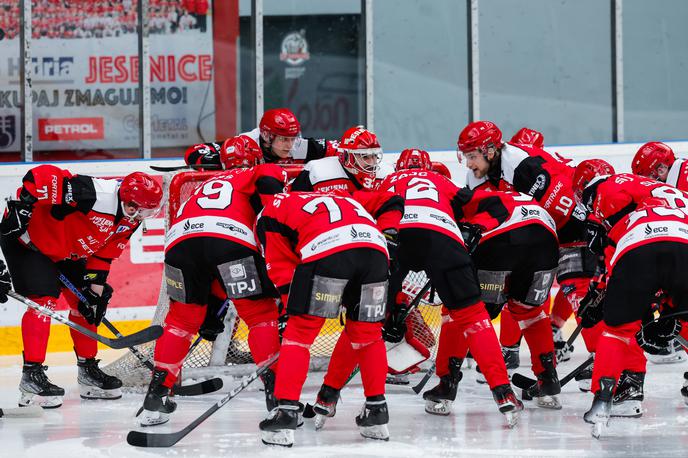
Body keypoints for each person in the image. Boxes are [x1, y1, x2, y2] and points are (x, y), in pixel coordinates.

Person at [137, 136, 288, 426]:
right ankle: (279, 396)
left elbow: (210, 261)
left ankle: (156, 396)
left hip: (180, 244)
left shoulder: (203, 183)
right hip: (230, 241)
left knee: (180, 322)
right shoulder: (259, 171)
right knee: (259, 315)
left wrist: (214, 306)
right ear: (257, 158)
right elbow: (271, 196)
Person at [376, 148, 525, 423]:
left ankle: (333, 397)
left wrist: (392, 308)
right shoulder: (442, 182)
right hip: (444, 240)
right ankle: (503, 392)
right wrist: (474, 228)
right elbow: (500, 204)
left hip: (398, 240)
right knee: (472, 318)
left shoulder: (385, 182)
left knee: (364, 319)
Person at [0, 166, 163, 408]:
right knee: (43, 302)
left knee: (88, 303)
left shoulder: (132, 217)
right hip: (28, 242)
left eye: (148, 212)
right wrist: (24, 204)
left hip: (67, 252)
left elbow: (104, 255)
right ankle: (31, 376)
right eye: (138, 210)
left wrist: (94, 290)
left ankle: (87, 371)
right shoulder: (94, 193)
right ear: (126, 199)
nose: (141, 216)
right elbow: (42, 175)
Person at [458, 120, 603, 390]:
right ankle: (513, 350)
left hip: (571, 226)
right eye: (466, 156)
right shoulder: (480, 173)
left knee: (576, 288)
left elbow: (550, 207)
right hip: (545, 231)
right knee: (518, 286)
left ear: (490, 150)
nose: (468, 163)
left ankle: (605, 362)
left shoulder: (521, 163)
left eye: (472, 156)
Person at [255, 189, 403, 446]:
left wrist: (291, 308)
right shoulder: (338, 196)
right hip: (376, 252)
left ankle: (286, 412)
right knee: (367, 336)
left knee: (299, 334)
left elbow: (281, 267)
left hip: (328, 249)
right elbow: (392, 198)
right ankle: (377, 413)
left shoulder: (267, 216)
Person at [571, 171, 688, 433]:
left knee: (617, 331)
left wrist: (602, 294)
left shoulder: (611, 192)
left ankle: (603, 400)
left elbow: (612, 253)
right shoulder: (668, 193)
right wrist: (664, 307)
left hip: (638, 246)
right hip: (685, 244)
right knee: (685, 316)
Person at [184, 109, 339, 169]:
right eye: (284, 139)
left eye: (293, 139)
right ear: (267, 136)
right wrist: (220, 162)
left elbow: (337, 148)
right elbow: (192, 152)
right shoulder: (245, 144)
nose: (290, 145)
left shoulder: (297, 146)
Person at [290, 125, 390, 192]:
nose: (372, 162)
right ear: (346, 157)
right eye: (365, 156)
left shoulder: (386, 174)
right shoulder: (318, 173)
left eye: (374, 156)